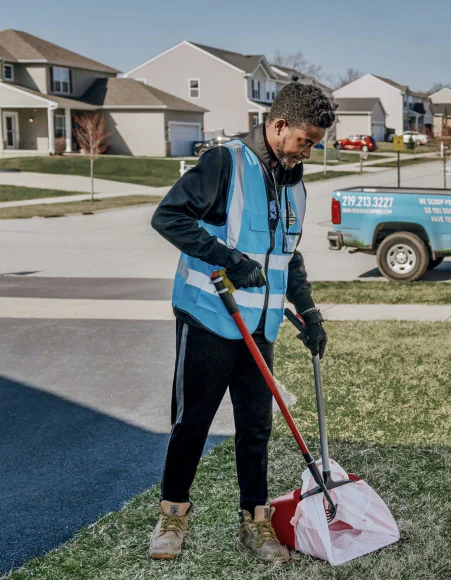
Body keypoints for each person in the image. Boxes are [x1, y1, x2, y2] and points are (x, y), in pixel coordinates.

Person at [147, 82, 334, 562]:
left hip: (260, 329)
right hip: (210, 314)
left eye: (314, 143)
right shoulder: (224, 163)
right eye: (305, 141)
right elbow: (168, 218)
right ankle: (172, 517)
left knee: (256, 428)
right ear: (278, 126)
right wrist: (226, 259)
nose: (308, 151)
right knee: (194, 423)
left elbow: (288, 257)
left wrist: (308, 312)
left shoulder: (295, 184)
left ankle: (256, 522)